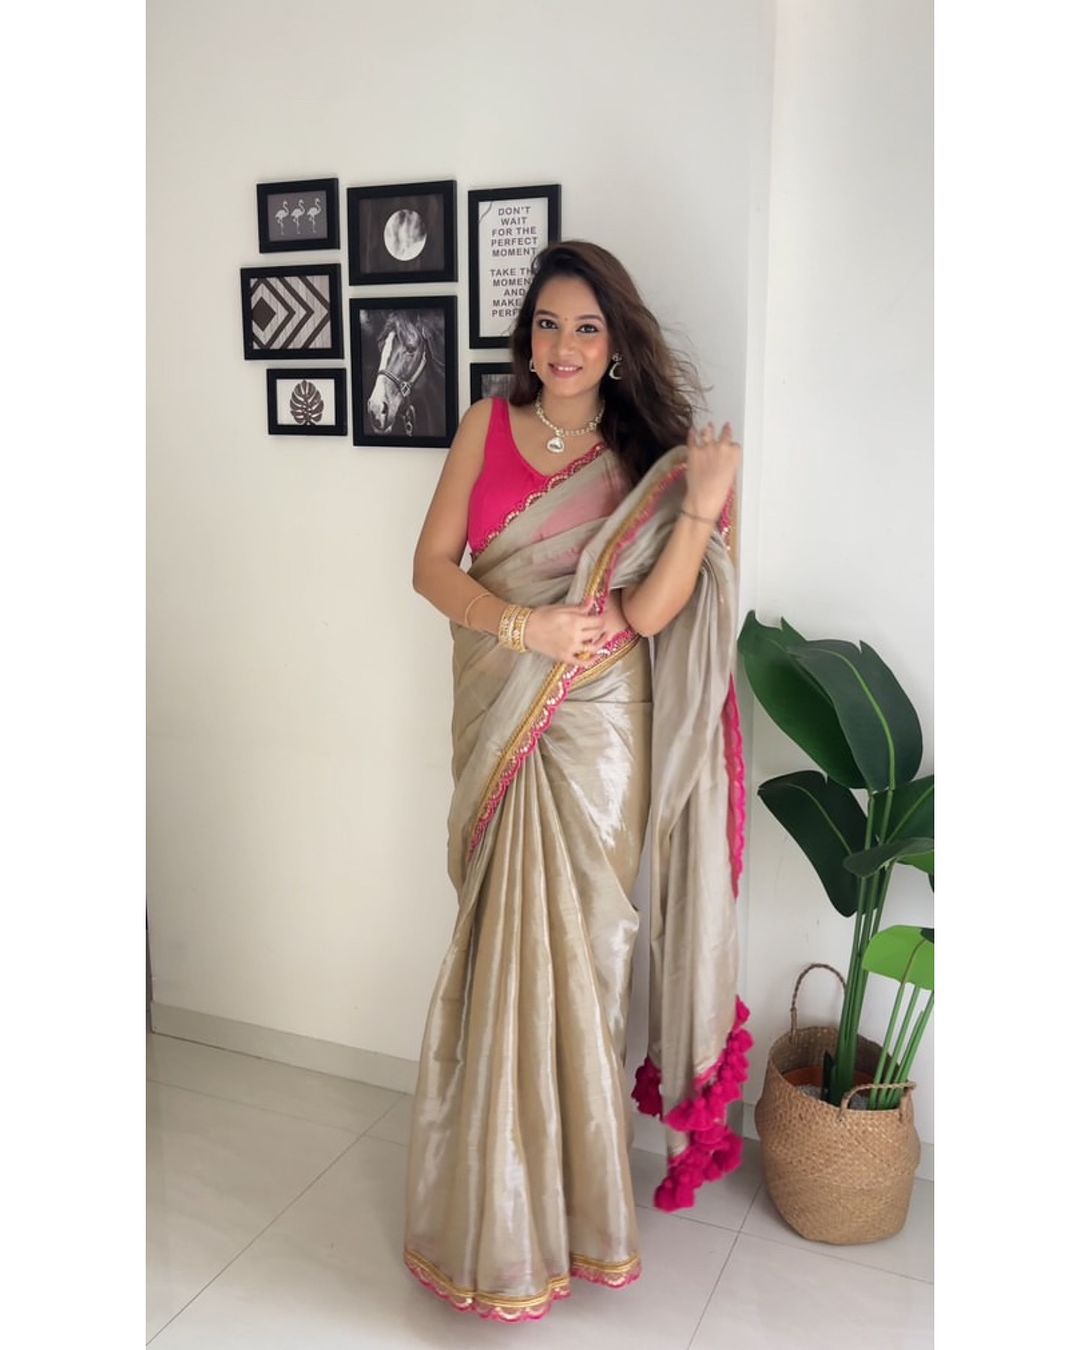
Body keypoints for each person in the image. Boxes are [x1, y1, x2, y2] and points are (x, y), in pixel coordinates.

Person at [403, 240, 752, 1323]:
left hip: (601, 735)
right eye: (548, 325)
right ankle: (489, 1211)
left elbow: (648, 613)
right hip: (506, 708)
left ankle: (568, 1214)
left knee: (584, 962)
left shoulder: (648, 459)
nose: (563, 346)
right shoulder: (484, 426)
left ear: (616, 343)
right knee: (498, 956)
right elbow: (430, 568)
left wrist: (703, 502)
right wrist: (527, 626)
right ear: (528, 337)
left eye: (586, 328)